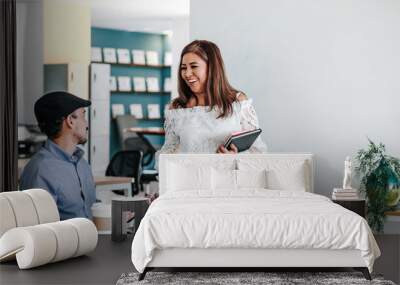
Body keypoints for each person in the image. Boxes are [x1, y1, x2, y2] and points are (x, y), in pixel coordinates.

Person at [158, 40, 267, 157]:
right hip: (190, 174)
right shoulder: (177, 108)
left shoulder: (238, 102)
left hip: (226, 174)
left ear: (212, 67)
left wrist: (235, 157)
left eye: (193, 66)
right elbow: (168, 152)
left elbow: (258, 151)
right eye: (183, 68)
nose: (187, 73)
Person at [20, 91, 96, 220]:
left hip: (91, 239)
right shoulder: (40, 171)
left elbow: (90, 208)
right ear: (70, 121)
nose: (87, 124)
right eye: (83, 116)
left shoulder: (82, 164)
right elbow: (38, 230)